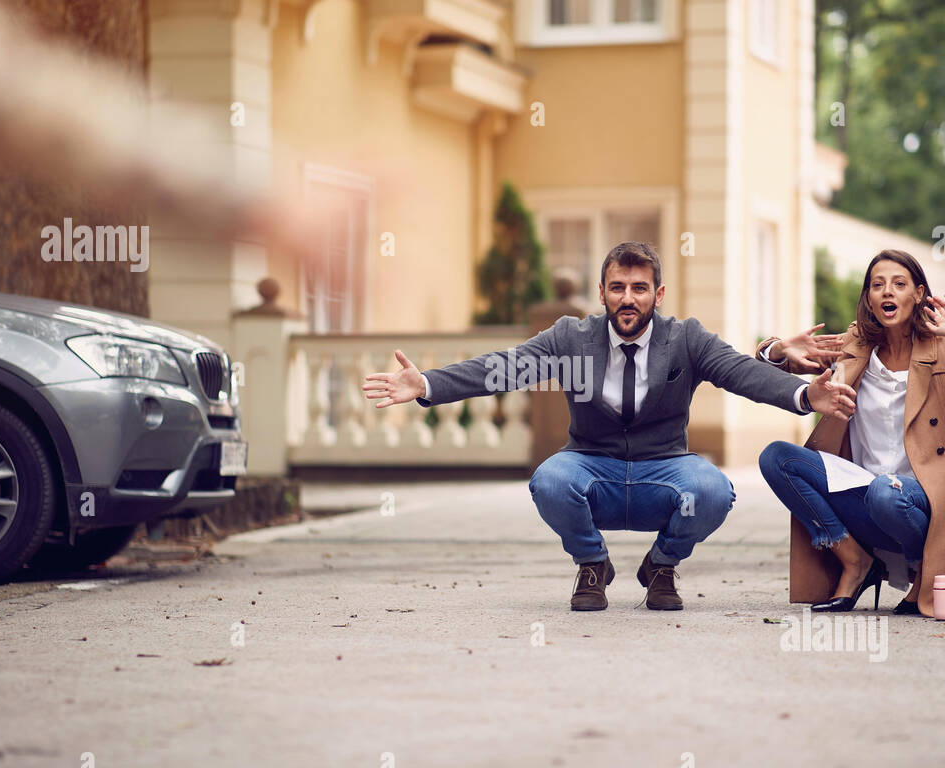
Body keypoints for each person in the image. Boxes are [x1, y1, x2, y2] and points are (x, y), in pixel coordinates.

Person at [362, 241, 856, 612]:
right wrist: (427, 384)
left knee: (712, 490)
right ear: (601, 292)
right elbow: (502, 367)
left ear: (657, 294)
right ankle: (592, 564)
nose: (627, 298)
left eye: (639, 288)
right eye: (617, 287)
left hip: (665, 471)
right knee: (550, 479)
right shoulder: (569, 339)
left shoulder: (686, 340)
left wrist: (803, 395)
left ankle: (661, 566)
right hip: (591, 468)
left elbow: (740, 372)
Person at [758, 249, 945, 616]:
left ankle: (923, 571)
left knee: (887, 493)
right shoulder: (855, 345)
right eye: (878, 285)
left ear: (919, 294)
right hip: (863, 489)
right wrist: (776, 349)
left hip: (924, 501)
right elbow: (769, 363)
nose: (887, 292)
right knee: (778, 458)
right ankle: (854, 560)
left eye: (899, 284)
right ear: (869, 299)